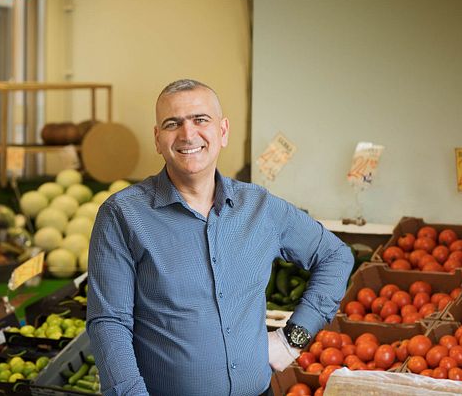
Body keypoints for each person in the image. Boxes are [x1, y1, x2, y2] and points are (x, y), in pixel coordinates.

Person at [86, 79, 353, 396]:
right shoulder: (122, 215)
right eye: (173, 123)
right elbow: (109, 324)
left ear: (223, 131)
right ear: (158, 139)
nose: (188, 134)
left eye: (200, 120)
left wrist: (292, 339)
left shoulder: (261, 207)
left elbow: (336, 256)